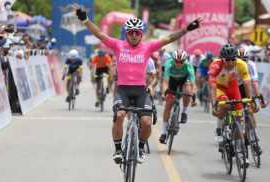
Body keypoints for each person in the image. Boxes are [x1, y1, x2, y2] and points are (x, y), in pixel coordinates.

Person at [75, 5, 201, 164]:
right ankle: (118, 150)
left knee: (147, 122)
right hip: (123, 90)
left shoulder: (148, 47)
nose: (134, 35)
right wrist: (85, 20)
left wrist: (186, 29)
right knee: (120, 116)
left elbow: (168, 38)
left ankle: (140, 147)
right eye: (131, 32)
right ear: (126, 33)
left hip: (141, 91)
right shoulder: (118, 45)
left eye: (137, 32)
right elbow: (99, 34)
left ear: (141, 34)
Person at [209, 44, 252, 160]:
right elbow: (212, 87)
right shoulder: (216, 65)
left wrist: (250, 100)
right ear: (222, 59)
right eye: (227, 60)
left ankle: (240, 151)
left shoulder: (241, 64)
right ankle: (219, 129)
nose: (230, 62)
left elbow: (247, 83)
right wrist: (214, 104)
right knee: (225, 104)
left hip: (233, 87)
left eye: (233, 59)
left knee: (239, 120)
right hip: (220, 88)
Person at [159, 49, 196, 143]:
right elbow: (165, 82)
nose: (179, 63)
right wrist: (164, 93)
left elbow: (193, 84)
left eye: (181, 62)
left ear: (185, 60)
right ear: (173, 60)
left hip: (184, 81)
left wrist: (193, 95)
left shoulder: (188, 66)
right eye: (176, 61)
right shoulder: (169, 64)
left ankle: (184, 112)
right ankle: (163, 132)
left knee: (188, 91)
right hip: (172, 81)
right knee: (168, 104)